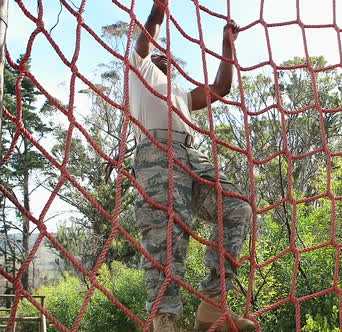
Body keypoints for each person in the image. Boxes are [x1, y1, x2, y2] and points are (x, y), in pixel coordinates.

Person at [128, 0, 256, 331]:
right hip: (156, 153)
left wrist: (227, 46)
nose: (163, 58)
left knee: (238, 207)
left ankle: (213, 306)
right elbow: (144, 40)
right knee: (167, 236)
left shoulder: (181, 94)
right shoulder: (140, 70)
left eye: (168, 58)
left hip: (189, 156)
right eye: (159, 55)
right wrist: (159, 10)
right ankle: (165, 320)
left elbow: (219, 88)